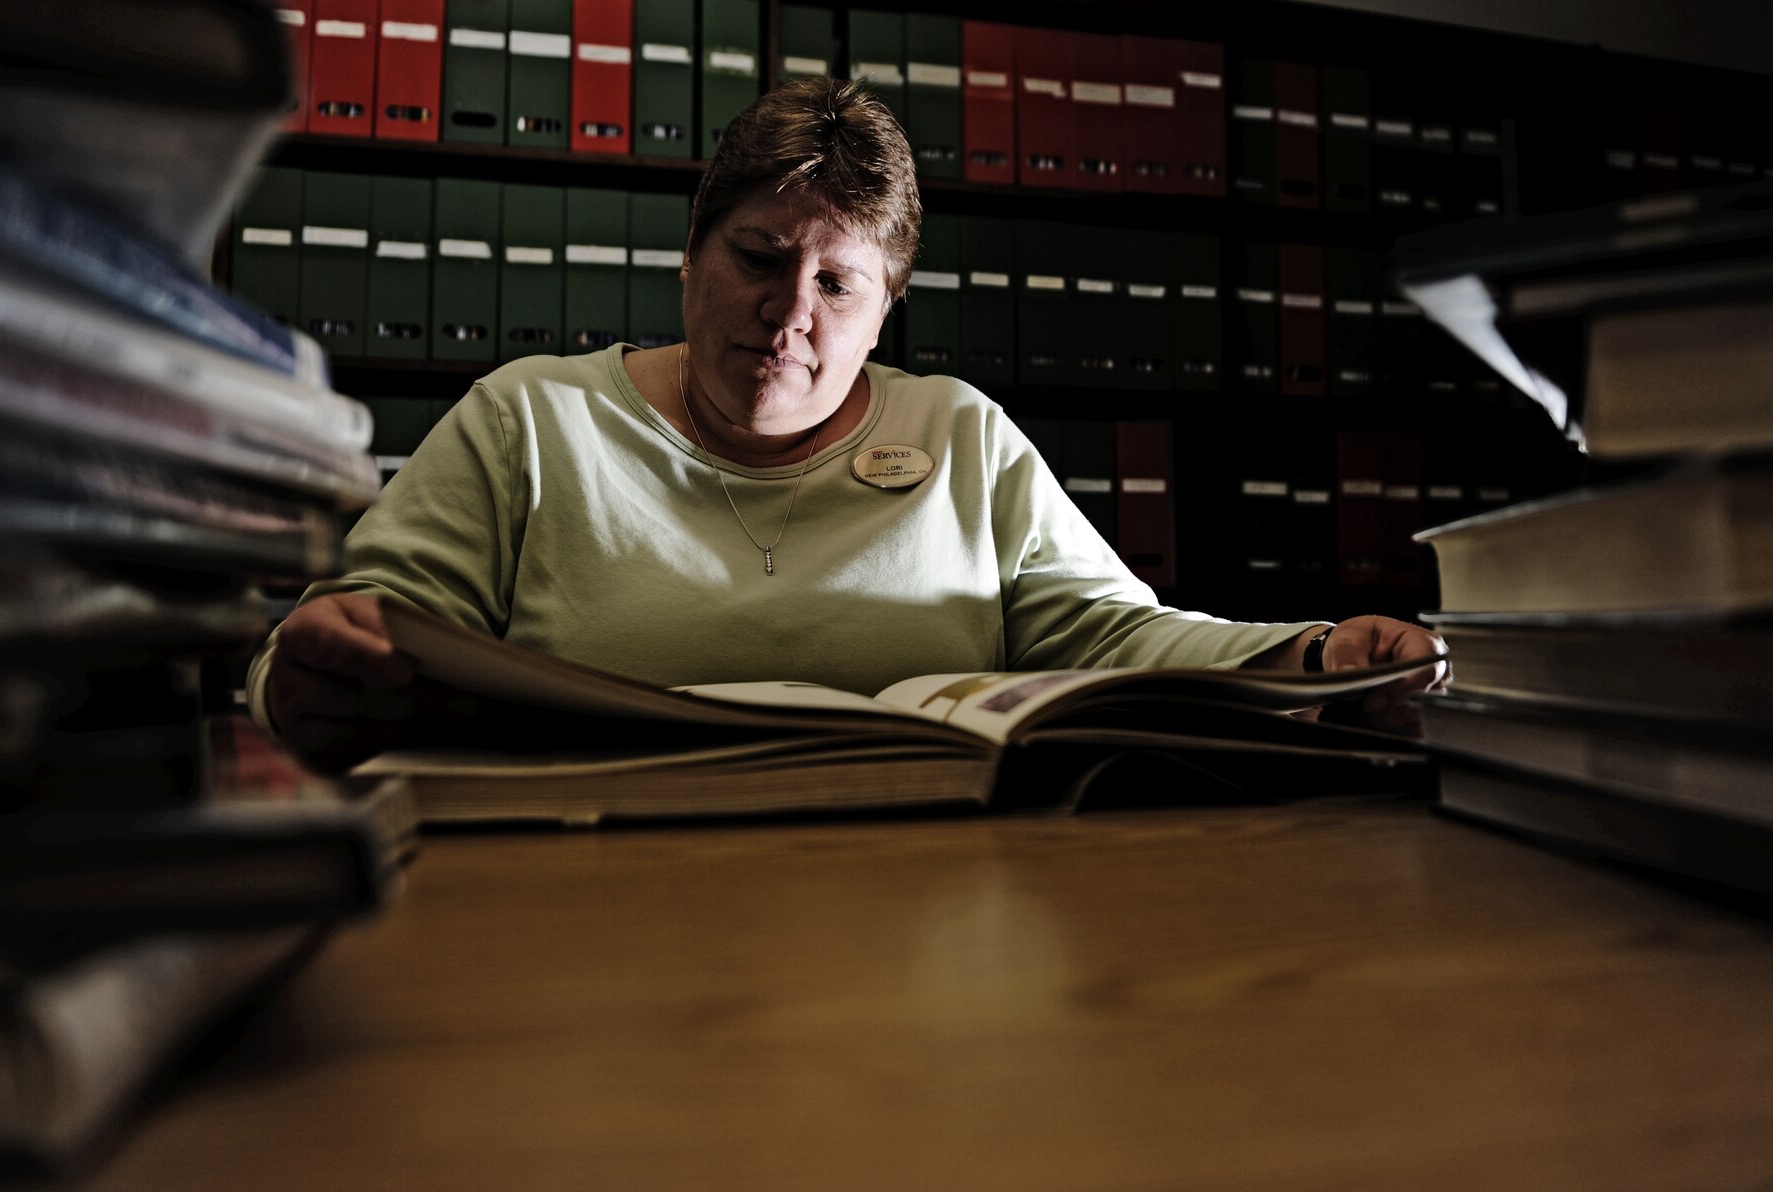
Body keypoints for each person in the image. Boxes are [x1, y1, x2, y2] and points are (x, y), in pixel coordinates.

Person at [252, 77, 1446, 768]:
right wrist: (303, 675)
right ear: (688, 258)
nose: (787, 317)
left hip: (926, 899)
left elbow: (1112, 635)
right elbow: (340, 641)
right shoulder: (528, 421)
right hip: (583, 890)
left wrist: (1305, 654)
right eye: (758, 259)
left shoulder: (963, 437)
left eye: (836, 285)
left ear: (885, 307)